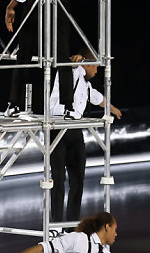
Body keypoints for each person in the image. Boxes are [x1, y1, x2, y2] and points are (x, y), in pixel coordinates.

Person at [49, 53, 122, 225]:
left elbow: (98, 98)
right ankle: (56, 224)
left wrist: (114, 109)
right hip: (58, 127)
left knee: (78, 179)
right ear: (87, 65)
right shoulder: (72, 74)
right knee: (58, 178)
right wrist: (75, 62)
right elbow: (71, 68)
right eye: (95, 66)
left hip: (75, 131)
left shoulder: (86, 85)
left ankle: (72, 224)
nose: (97, 71)